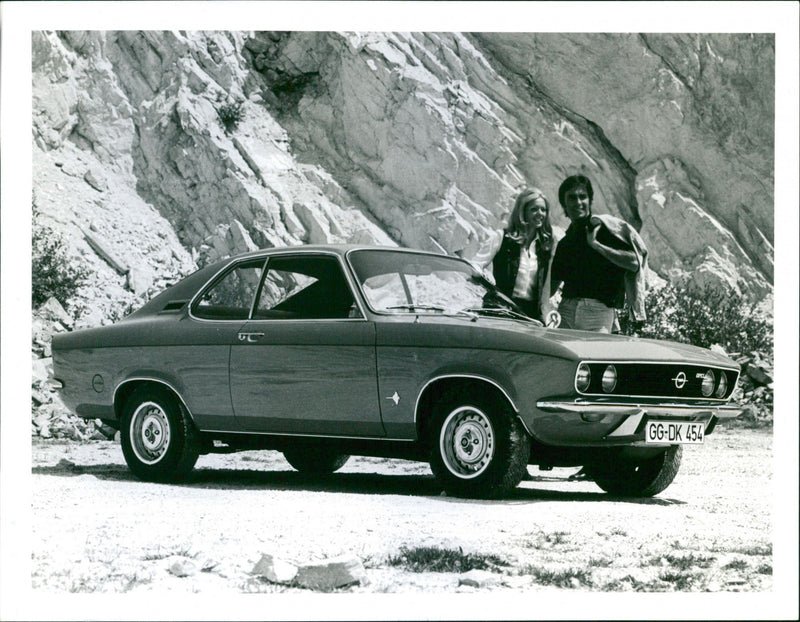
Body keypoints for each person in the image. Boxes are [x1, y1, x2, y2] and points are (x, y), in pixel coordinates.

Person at [550, 175, 647, 333]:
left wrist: (597, 246)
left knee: (593, 355)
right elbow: (551, 287)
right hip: (566, 310)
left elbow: (634, 263)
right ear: (564, 205)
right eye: (572, 198)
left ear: (590, 201)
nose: (578, 202)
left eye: (583, 197)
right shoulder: (565, 243)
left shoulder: (605, 230)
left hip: (599, 313)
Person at [491, 188, 561, 323]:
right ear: (522, 211)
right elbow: (475, 266)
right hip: (500, 310)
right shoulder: (502, 238)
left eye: (543, 210)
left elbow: (547, 286)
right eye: (534, 209)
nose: (540, 214)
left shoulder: (547, 246)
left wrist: (544, 314)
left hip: (530, 315)